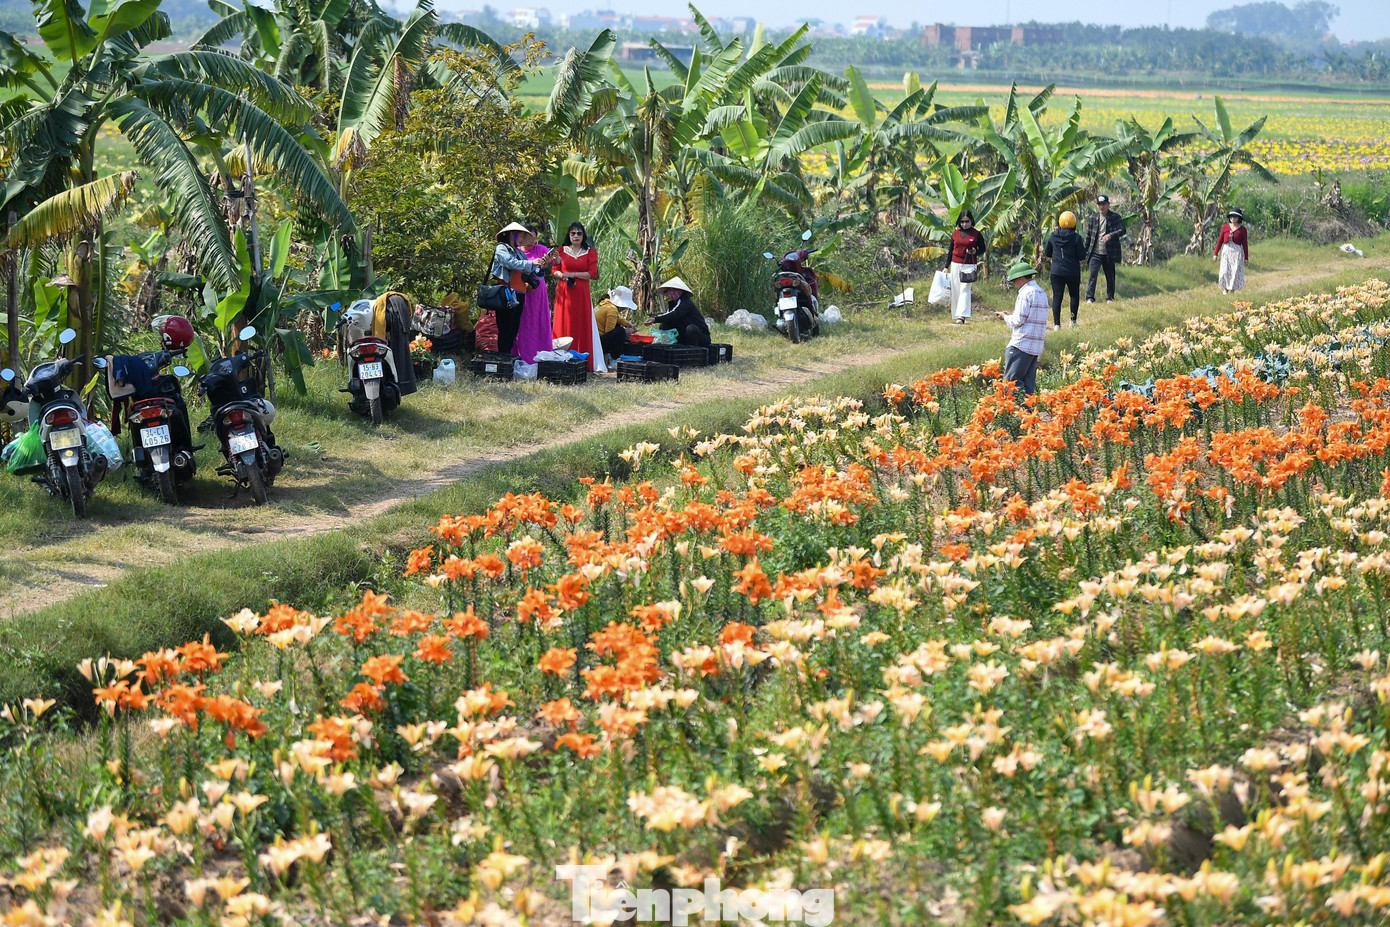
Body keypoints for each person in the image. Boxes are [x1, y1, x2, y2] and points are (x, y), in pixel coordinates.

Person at [490, 221, 554, 355]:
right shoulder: (501, 248)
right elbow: (510, 262)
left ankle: (508, 359)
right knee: (505, 328)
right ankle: (503, 358)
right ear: (511, 235)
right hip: (506, 293)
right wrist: (531, 263)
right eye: (518, 235)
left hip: (520, 293)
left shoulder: (520, 254)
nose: (521, 238)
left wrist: (541, 266)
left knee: (514, 329)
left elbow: (529, 272)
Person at [552, 221, 606, 372]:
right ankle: (561, 358)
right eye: (572, 233)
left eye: (579, 233)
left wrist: (573, 274)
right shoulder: (561, 251)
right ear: (569, 235)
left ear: (583, 235)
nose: (576, 236)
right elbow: (555, 270)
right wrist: (562, 276)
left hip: (581, 292)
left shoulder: (590, 252)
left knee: (581, 323)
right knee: (564, 322)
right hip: (565, 292)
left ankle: (583, 359)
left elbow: (592, 274)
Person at [994, 262, 1049, 398]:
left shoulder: (1025, 293)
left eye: (1014, 281)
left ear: (1020, 279)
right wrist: (1011, 314)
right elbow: (1030, 318)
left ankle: (1017, 415)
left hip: (1021, 345)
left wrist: (1004, 317)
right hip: (1035, 347)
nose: (1014, 284)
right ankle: (1028, 416)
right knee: (1028, 387)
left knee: (1011, 384)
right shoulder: (1041, 293)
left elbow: (1017, 321)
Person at [511, 223, 555, 363]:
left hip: (538, 293)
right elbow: (512, 271)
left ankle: (542, 357)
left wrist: (551, 260)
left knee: (539, 322)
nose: (532, 242)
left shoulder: (540, 249)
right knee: (523, 324)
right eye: (529, 238)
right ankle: (523, 357)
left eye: (534, 238)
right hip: (521, 291)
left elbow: (556, 262)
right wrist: (524, 284)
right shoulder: (515, 251)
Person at [1044, 210, 1086, 330]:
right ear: (1074, 224)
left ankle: (1057, 324)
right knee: (1074, 295)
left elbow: (1047, 253)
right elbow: (1082, 256)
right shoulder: (1076, 238)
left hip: (1056, 272)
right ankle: (1073, 321)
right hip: (1072, 271)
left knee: (1057, 297)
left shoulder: (1053, 236)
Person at [944, 210, 987, 324]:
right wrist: (946, 266)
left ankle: (962, 316)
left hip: (969, 265)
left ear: (971, 221)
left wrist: (974, 252)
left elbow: (983, 249)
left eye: (967, 221)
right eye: (962, 222)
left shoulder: (976, 234)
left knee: (965, 289)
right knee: (956, 289)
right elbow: (950, 250)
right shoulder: (955, 234)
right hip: (955, 264)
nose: (964, 224)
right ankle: (956, 314)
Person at [1084, 194, 1126, 304]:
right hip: (1095, 252)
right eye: (1099, 204)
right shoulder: (1093, 218)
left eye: (1103, 204)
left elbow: (1122, 230)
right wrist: (1084, 250)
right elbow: (1088, 236)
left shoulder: (1115, 217)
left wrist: (1111, 235)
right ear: (1097, 206)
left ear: (1108, 205)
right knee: (1092, 276)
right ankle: (1090, 298)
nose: (1101, 207)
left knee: (1110, 276)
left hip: (1109, 252)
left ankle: (1110, 297)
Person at [650, 277, 710, 349]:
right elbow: (668, 315)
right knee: (664, 324)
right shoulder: (672, 304)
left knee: (691, 329)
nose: (672, 294)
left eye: (675, 291)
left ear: (681, 291)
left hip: (699, 337)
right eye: (669, 292)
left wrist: (655, 319)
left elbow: (675, 313)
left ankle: (693, 353)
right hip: (683, 335)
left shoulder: (686, 302)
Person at [595, 285, 638, 362]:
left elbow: (617, 318)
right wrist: (625, 331)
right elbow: (609, 332)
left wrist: (627, 324)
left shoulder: (605, 304)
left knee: (618, 327)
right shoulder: (612, 309)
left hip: (595, 339)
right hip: (597, 342)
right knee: (620, 331)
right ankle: (614, 358)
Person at [1215, 208, 1249, 294]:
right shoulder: (1225, 227)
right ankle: (1225, 288)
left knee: (1234, 271)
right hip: (1226, 251)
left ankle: (1232, 290)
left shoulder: (1242, 230)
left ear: (1239, 218)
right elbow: (1220, 241)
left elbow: (1244, 244)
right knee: (1225, 270)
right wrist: (1216, 253)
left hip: (1236, 252)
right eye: (1231, 217)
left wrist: (1246, 257)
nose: (1232, 218)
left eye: (1235, 217)